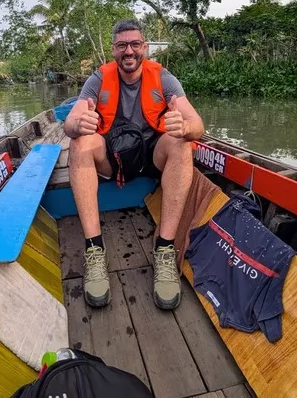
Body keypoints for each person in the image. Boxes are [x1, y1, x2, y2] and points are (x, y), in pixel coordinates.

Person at [63, 19, 205, 310]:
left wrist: (185, 127)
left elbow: (198, 124)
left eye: (135, 44)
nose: (129, 51)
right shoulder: (98, 79)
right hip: (112, 160)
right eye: (122, 45)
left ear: (145, 47)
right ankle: (94, 250)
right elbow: (69, 123)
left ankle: (164, 248)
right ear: (113, 50)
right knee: (79, 142)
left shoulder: (164, 78)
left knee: (181, 143)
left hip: (152, 158)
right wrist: (77, 123)